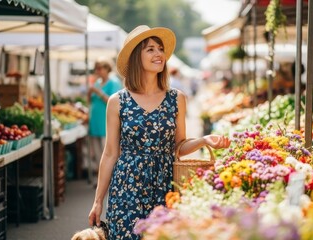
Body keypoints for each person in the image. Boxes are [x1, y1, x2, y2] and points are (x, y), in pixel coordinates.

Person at [88, 25, 231, 239]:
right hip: (127, 189)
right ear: (137, 57)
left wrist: (203, 141)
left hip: (165, 186)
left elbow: (179, 146)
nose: (159, 54)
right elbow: (109, 154)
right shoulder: (117, 101)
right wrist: (98, 200)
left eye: (160, 48)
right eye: (150, 49)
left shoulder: (177, 98)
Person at [88, 57, 122, 178]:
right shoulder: (96, 83)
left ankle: (112, 178)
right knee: (97, 154)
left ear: (107, 69)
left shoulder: (113, 82)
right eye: (96, 69)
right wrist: (90, 92)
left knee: (108, 153)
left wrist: (98, 92)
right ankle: (101, 178)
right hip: (95, 123)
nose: (98, 71)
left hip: (106, 124)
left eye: (100, 68)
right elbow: (90, 101)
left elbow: (113, 101)